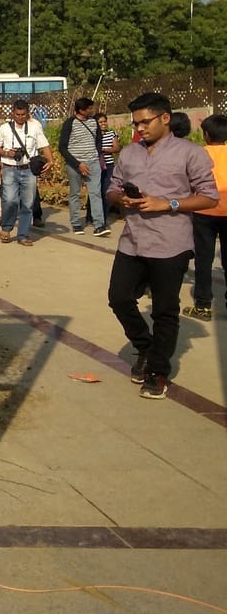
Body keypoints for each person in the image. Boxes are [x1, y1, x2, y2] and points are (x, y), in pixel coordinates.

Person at [106, 92, 218, 399]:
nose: (140, 128)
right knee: (119, 298)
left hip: (171, 244)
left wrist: (166, 203)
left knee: (165, 310)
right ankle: (145, 347)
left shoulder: (190, 153)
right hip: (132, 240)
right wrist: (121, 198)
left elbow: (209, 197)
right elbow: (112, 190)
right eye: (136, 123)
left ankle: (157, 371)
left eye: (145, 122)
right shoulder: (129, 153)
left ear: (164, 118)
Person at [0, 98, 54, 246]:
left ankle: (23, 234)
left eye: (23, 114)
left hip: (28, 170)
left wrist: (50, 161)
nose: (20, 117)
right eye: (17, 114)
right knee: (10, 200)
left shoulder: (34, 127)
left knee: (28, 203)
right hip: (9, 168)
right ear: (13, 113)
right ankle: (6, 228)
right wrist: (7, 153)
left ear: (27, 114)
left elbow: (44, 145)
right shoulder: (5, 128)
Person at [186, 113, 227, 322]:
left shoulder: (199, 154)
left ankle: (203, 306)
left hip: (203, 212)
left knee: (204, 260)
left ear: (207, 135)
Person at [58, 98, 110, 237]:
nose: (92, 110)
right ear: (81, 110)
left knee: (95, 193)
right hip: (74, 164)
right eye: (89, 108)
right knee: (75, 193)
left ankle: (99, 225)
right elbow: (62, 147)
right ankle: (76, 223)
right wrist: (78, 164)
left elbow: (99, 140)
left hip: (93, 162)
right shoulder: (70, 123)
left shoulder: (93, 122)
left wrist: (96, 154)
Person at [89, 112, 121, 225]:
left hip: (109, 166)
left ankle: (103, 217)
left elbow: (116, 148)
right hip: (95, 165)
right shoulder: (92, 135)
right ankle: (91, 216)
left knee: (106, 191)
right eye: (100, 122)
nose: (103, 124)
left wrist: (103, 149)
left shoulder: (111, 134)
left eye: (104, 121)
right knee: (95, 191)